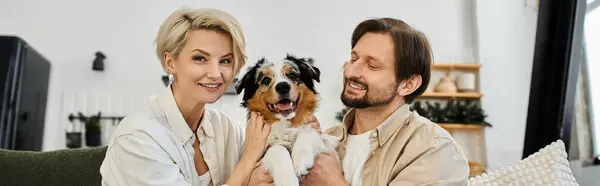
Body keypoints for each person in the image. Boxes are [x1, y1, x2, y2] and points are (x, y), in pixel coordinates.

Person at [99, 8, 280, 186]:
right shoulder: (137, 138)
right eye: (200, 58)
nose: (215, 74)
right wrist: (247, 162)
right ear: (170, 62)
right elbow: (252, 170)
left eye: (225, 61)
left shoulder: (226, 129)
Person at [300, 18, 470, 186]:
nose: (351, 71)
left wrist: (331, 183)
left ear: (408, 84)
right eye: (353, 59)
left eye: (372, 65)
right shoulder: (327, 140)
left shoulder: (433, 149)